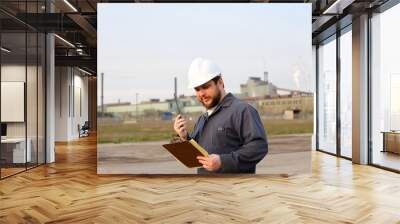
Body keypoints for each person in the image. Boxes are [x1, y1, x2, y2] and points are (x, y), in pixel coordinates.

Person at [173, 57, 268, 174]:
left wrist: (223, 162)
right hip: (205, 189)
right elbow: (199, 153)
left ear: (220, 83)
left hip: (235, 190)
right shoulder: (203, 118)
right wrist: (184, 137)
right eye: (197, 89)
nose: (201, 93)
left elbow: (259, 147)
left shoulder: (242, 110)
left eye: (206, 87)